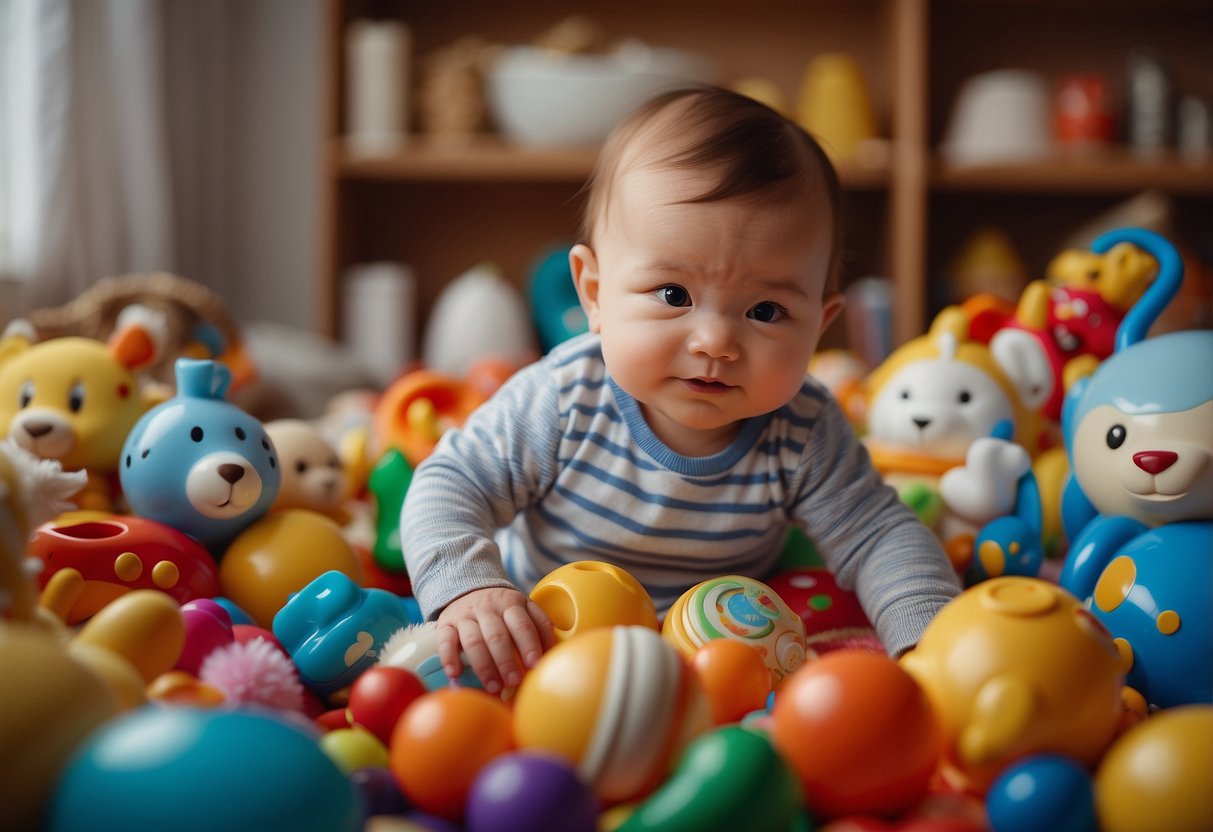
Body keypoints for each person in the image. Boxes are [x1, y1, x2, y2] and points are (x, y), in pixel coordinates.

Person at [401, 85, 961, 694]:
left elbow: (881, 535)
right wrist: (472, 587)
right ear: (594, 293)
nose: (716, 341)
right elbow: (449, 483)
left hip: (716, 663)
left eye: (767, 310)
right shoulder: (564, 396)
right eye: (674, 296)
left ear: (820, 329)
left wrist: (928, 646)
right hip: (548, 642)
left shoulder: (802, 428)